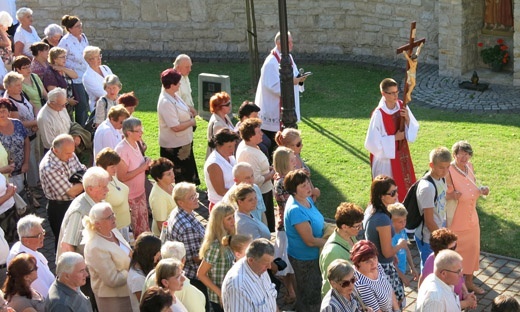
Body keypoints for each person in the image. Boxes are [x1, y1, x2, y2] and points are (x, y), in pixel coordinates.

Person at [364, 78, 419, 202]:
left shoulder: (401, 105)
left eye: (397, 92)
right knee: (388, 190)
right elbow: (371, 143)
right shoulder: (378, 114)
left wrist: (408, 119)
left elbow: (413, 126)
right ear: (383, 94)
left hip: (401, 154)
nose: (395, 95)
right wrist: (394, 138)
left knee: (405, 185)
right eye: (392, 93)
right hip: (386, 159)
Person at [255, 31, 307, 160]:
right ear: (279, 43)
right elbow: (273, 86)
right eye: (289, 42)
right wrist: (293, 82)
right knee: (275, 141)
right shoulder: (271, 62)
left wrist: (299, 80)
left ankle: (292, 158)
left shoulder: (288, 57)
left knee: (290, 135)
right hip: (274, 110)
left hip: (289, 107)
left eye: (291, 42)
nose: (292, 45)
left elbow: (293, 75)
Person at [446, 141, 489, 294]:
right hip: (456, 222)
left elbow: (472, 189)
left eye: (467, 153)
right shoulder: (448, 170)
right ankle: (456, 286)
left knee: (473, 251)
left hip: (472, 220)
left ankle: (469, 283)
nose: (464, 157)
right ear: (454, 154)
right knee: (455, 255)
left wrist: (481, 190)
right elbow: (441, 194)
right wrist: (452, 195)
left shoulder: (469, 167)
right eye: (461, 153)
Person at [284, 169, 325, 312]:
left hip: (313, 255)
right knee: (311, 295)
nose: (308, 188)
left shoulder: (306, 198)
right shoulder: (295, 210)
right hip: (305, 259)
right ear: (293, 191)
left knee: (309, 292)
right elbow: (310, 241)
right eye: (303, 186)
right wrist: (333, 242)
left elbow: (314, 195)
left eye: (308, 183)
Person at [364, 175, 407, 305]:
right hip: (383, 269)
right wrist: (400, 245)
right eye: (392, 193)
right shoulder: (382, 219)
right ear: (382, 196)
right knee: (395, 304)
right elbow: (387, 252)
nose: (396, 195)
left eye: (396, 190)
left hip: (376, 265)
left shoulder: (371, 209)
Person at [82, 203, 132, 312]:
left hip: (128, 291)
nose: (114, 218)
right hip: (114, 300)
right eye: (109, 217)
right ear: (97, 224)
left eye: (113, 214)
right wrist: (133, 269)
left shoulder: (112, 230)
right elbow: (112, 280)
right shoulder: (94, 247)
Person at [39, 134, 86, 249]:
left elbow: (82, 170)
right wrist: (86, 180)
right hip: (60, 208)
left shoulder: (68, 152)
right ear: (55, 150)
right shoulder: (49, 167)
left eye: (72, 152)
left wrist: (80, 180)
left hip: (76, 202)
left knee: (79, 237)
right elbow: (71, 191)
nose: (71, 156)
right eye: (68, 153)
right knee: (65, 243)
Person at [165, 182, 207, 305]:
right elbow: (195, 258)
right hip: (194, 276)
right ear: (180, 202)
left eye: (195, 195)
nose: (196, 199)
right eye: (191, 197)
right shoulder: (187, 227)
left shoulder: (180, 212)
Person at [56, 167, 110, 261]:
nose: (108, 190)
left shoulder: (98, 200)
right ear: (90, 189)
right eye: (104, 187)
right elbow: (67, 246)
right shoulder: (79, 212)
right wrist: (79, 272)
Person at [157, 68, 199, 185]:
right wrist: (191, 122)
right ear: (171, 85)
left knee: (188, 173)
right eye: (178, 82)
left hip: (183, 143)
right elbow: (175, 126)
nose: (180, 84)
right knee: (180, 177)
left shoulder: (174, 95)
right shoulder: (166, 102)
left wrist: (190, 111)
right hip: (175, 147)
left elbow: (183, 107)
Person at [417, 228, 477, 310]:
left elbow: (460, 281)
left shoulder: (449, 264)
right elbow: (448, 305)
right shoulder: (436, 299)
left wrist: (466, 294)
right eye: (452, 248)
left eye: (455, 245)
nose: (455, 249)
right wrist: (467, 303)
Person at [142, 241, 206, 312]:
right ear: (165, 282)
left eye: (182, 273)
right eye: (178, 276)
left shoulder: (152, 276)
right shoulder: (166, 306)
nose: (183, 278)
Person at [236, 118, 276, 232]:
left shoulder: (252, 146)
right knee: (264, 224)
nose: (262, 134)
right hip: (260, 194)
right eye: (259, 132)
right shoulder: (248, 153)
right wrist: (272, 173)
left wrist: (267, 169)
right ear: (250, 135)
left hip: (264, 191)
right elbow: (256, 180)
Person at [415, 147, 451, 268]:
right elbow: (429, 222)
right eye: (441, 167)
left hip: (438, 230)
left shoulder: (441, 178)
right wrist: (442, 240)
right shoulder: (427, 188)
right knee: (428, 272)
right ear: (431, 165)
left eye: (448, 167)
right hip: (428, 238)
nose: (445, 171)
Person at [115, 117, 151, 238]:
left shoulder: (137, 143)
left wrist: (145, 161)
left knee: (143, 228)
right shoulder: (121, 150)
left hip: (140, 194)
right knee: (135, 232)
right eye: (138, 131)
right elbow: (122, 177)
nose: (142, 133)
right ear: (129, 132)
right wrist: (142, 168)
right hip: (130, 198)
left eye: (142, 129)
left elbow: (139, 162)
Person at [3, 71, 39, 192]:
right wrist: (35, 123)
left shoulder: (22, 94)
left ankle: (35, 185)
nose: (20, 87)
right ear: (8, 87)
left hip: (33, 132)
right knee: (29, 163)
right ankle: (31, 189)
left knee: (35, 160)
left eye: (20, 84)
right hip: (24, 137)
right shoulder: (8, 103)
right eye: (17, 85)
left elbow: (33, 106)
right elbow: (17, 123)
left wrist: (35, 118)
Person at [196, 204, 236, 312]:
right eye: (229, 219)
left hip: (231, 292)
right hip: (220, 298)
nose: (233, 221)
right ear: (219, 223)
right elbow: (201, 274)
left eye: (233, 216)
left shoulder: (228, 238)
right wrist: (220, 293)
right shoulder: (215, 246)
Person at [320, 202, 364, 297]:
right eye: (357, 226)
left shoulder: (351, 236)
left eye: (361, 225)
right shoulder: (332, 252)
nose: (360, 229)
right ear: (344, 227)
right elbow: (329, 285)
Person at [221, 238, 277, 312]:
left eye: (270, 262)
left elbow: (270, 299)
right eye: (266, 264)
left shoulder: (259, 267)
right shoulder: (237, 285)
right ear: (251, 260)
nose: (269, 267)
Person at [7, 215, 54, 297]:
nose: (43, 237)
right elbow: (42, 291)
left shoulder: (24, 246)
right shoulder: (25, 262)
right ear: (26, 240)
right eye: (39, 235)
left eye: (43, 232)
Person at [272, 146, 296, 302]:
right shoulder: (282, 182)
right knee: (287, 264)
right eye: (291, 160)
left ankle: (291, 292)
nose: (295, 162)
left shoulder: (284, 178)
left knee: (288, 263)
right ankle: (292, 291)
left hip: (286, 225)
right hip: (286, 227)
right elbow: (293, 201)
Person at [350, 240, 399, 312]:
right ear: (358, 263)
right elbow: (376, 311)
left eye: (374, 258)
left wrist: (397, 309)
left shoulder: (376, 266)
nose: (373, 263)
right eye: (367, 261)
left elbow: (389, 288)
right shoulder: (361, 284)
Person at [58, 14, 89, 125]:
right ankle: (80, 129)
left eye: (80, 25)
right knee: (82, 105)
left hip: (87, 75)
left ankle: (87, 128)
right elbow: (59, 58)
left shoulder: (84, 37)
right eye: (77, 26)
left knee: (88, 104)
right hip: (75, 78)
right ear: (70, 29)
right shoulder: (65, 42)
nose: (80, 28)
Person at [95, 147, 131, 241]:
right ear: (101, 167)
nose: (115, 169)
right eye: (112, 167)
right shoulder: (102, 186)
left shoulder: (112, 177)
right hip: (115, 230)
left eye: (116, 165)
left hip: (126, 225)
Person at [275, 128, 320, 200]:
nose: (302, 145)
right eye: (298, 144)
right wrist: (314, 193)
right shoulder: (288, 168)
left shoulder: (296, 155)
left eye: (301, 142)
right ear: (288, 147)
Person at [204, 128, 239, 208]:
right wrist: (242, 193)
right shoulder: (214, 164)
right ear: (219, 145)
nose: (233, 149)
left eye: (234, 145)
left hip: (233, 202)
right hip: (221, 207)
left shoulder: (230, 157)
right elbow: (221, 191)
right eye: (229, 146)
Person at [42, 46, 79, 121]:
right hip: (59, 106)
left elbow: (75, 76)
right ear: (55, 59)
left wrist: (63, 69)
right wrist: (68, 100)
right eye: (62, 57)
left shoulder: (64, 69)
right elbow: (53, 92)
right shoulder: (49, 72)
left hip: (68, 106)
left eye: (65, 56)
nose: (64, 59)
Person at [128, 232, 162, 312]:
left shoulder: (140, 266)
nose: (159, 254)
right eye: (157, 250)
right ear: (149, 253)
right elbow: (146, 305)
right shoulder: (137, 278)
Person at [387, 203, 418, 288]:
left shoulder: (402, 231)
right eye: (400, 222)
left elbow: (406, 249)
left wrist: (412, 267)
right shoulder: (390, 237)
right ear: (391, 222)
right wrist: (402, 276)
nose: (403, 224)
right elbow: (391, 261)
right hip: (393, 274)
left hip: (402, 270)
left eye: (405, 220)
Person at [149, 157, 176, 236]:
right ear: (158, 178)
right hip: (168, 235)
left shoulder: (170, 184)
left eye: (172, 171)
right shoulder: (158, 197)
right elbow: (161, 225)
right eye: (168, 174)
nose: (173, 175)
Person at [82, 46, 113, 112]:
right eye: (96, 58)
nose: (99, 59)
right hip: (99, 108)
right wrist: (112, 92)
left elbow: (116, 84)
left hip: (113, 104)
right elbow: (103, 93)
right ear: (89, 60)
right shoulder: (87, 77)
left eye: (99, 56)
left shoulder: (105, 68)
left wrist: (112, 93)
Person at [206, 91, 234, 157]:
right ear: (219, 107)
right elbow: (221, 144)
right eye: (227, 104)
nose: (230, 106)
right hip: (221, 157)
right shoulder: (217, 124)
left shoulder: (225, 116)